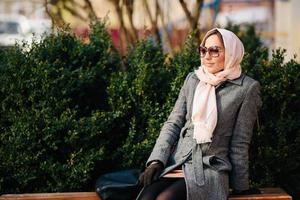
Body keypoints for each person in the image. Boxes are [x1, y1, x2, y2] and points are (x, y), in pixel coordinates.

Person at [136, 28, 262, 200]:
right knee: (146, 197)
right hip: (177, 164)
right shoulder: (193, 79)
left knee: (165, 198)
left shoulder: (246, 88)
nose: (206, 56)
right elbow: (173, 123)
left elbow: (240, 141)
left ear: (232, 53)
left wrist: (241, 186)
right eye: (203, 50)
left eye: (214, 50)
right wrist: (156, 160)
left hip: (210, 170)